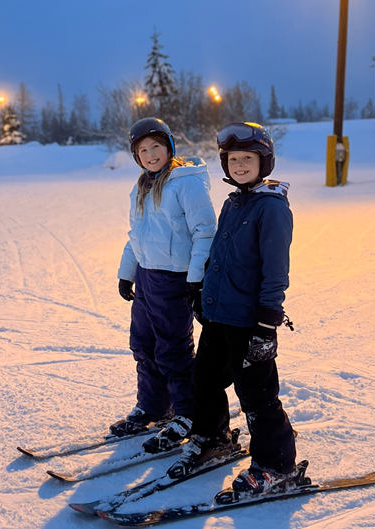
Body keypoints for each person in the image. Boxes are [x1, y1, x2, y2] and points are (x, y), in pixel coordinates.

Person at [167, 122, 310, 496]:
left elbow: (276, 270)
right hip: (219, 316)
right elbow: (220, 255)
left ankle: (276, 465)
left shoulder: (271, 208)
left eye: (247, 159)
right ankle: (214, 438)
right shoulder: (233, 202)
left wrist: (267, 324)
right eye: (233, 160)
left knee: (257, 396)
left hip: (250, 321)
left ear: (265, 163)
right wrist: (202, 292)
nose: (239, 165)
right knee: (205, 381)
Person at [110, 117, 217, 454]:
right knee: (143, 344)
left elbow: (205, 232)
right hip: (146, 277)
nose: (151, 153)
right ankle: (154, 406)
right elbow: (135, 235)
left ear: (169, 147)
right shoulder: (140, 187)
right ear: (137, 156)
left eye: (156, 146)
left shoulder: (186, 183)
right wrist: (127, 273)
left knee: (173, 349)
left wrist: (195, 278)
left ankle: (186, 412)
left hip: (175, 279)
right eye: (143, 150)